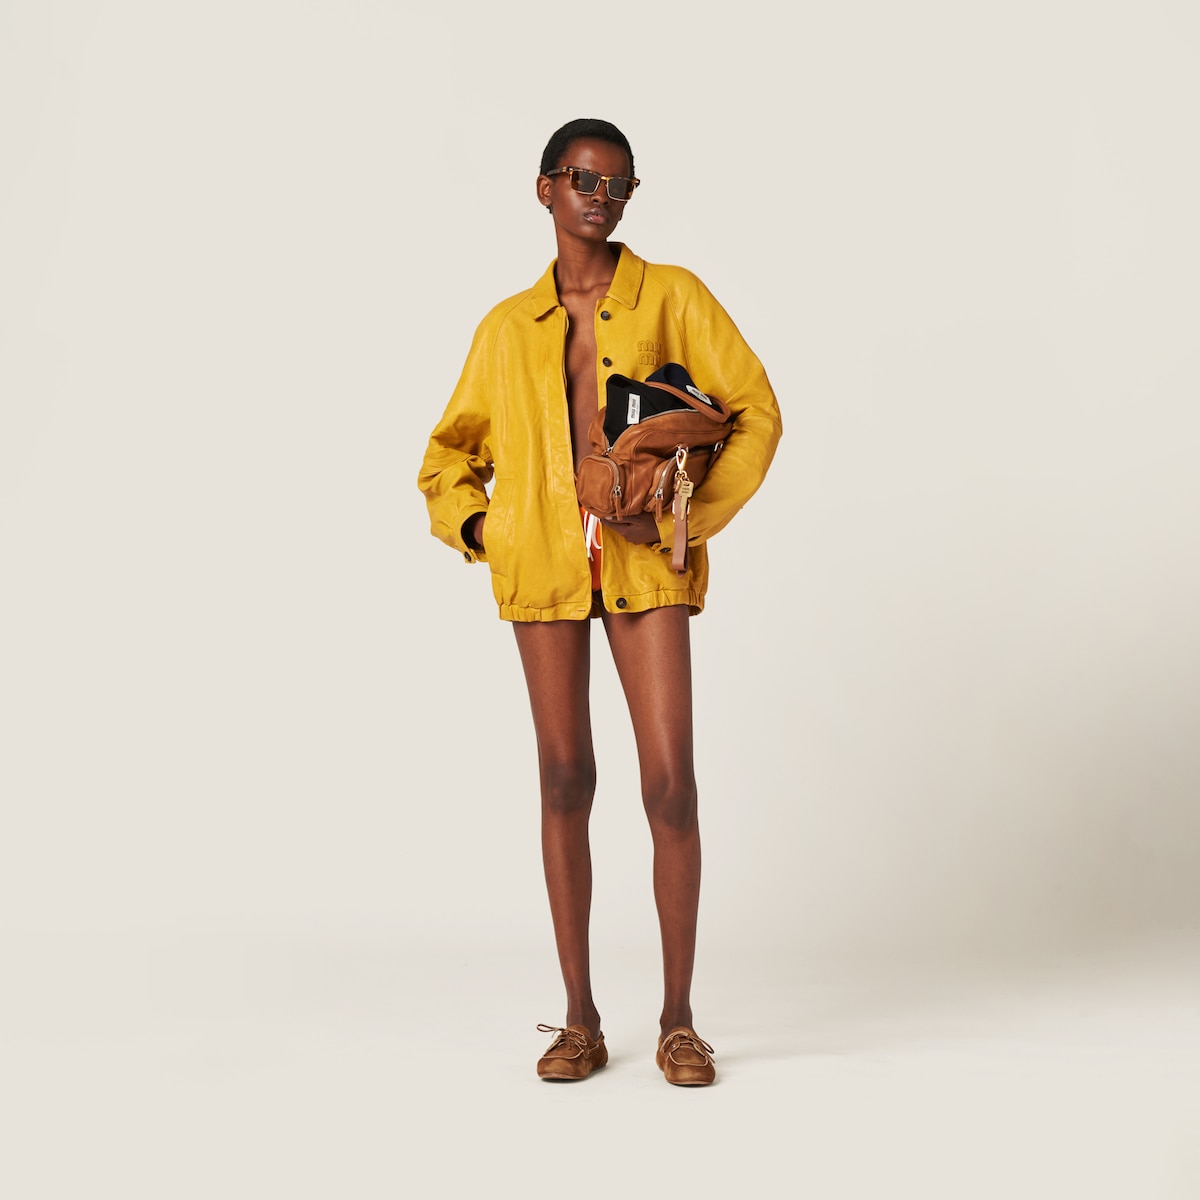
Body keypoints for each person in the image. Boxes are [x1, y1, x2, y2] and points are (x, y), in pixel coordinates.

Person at [418, 118, 782, 1085]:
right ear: (545, 188)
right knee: (564, 779)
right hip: (542, 566)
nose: (600, 198)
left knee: (670, 783)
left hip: (644, 563)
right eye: (583, 179)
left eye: (619, 184)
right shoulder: (506, 328)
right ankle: (579, 1020)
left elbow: (756, 411)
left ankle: (678, 1022)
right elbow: (446, 456)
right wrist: (486, 530)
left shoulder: (673, 295)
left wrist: (688, 521)